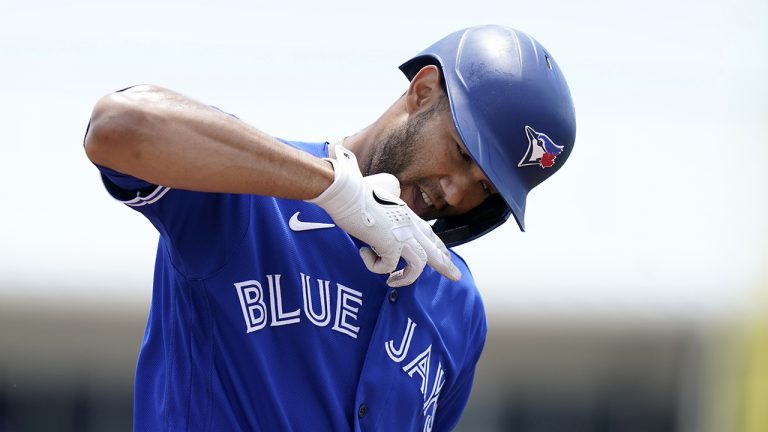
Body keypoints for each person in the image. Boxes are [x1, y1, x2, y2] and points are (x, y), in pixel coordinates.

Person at [84, 25, 575, 432]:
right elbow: (117, 126)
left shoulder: (458, 305)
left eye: (484, 188)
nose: (455, 193)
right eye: (462, 153)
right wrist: (334, 189)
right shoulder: (252, 191)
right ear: (422, 92)